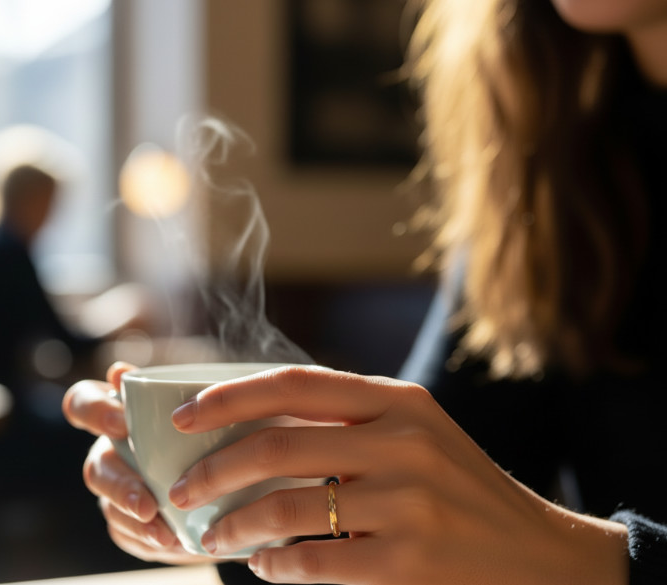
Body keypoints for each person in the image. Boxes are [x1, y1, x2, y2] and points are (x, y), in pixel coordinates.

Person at [62, 0, 667, 583]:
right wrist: (230, 512)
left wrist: (590, 562)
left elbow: (511, 542)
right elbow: (431, 523)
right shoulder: (551, 179)